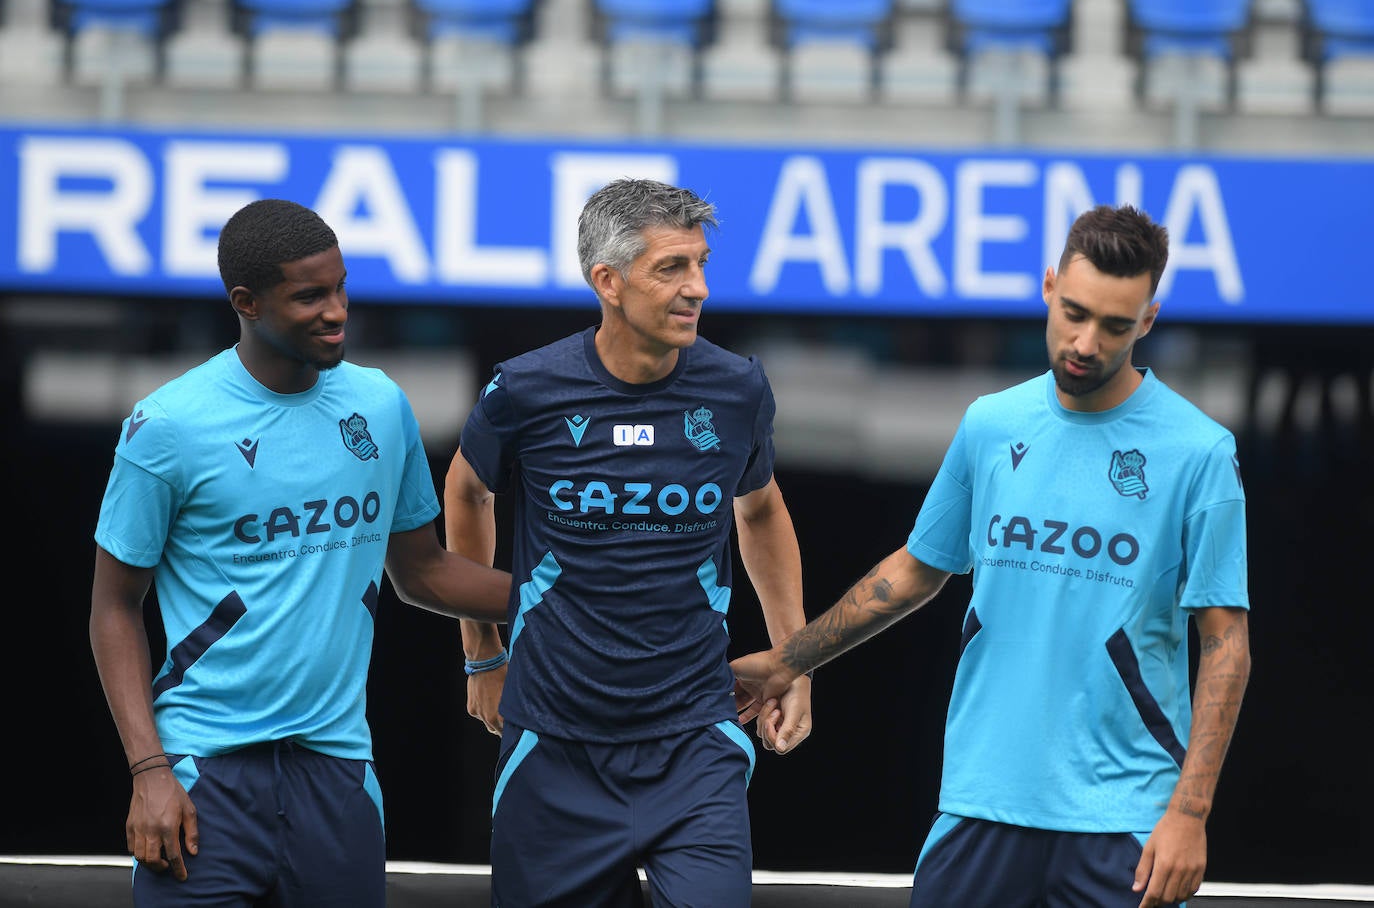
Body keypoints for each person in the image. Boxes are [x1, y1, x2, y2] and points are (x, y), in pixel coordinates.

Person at [732, 204, 1251, 908]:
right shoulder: (991, 423)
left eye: (1115, 325)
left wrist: (1189, 815)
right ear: (1047, 287)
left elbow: (1226, 644)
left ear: (1149, 321)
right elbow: (918, 568)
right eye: (1074, 312)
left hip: (1124, 822)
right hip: (981, 803)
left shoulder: (1200, 452)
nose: (1086, 341)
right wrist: (790, 658)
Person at [89, 198, 511, 907]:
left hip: (338, 774)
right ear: (246, 303)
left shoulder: (379, 405)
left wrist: (566, 593)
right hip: (202, 776)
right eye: (310, 296)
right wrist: (148, 771)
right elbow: (113, 610)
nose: (336, 309)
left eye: (342, 287)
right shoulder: (167, 427)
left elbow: (424, 574)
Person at [443, 177, 812, 907]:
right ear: (607, 282)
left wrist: (794, 660)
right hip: (551, 747)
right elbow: (466, 492)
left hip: (695, 742)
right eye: (671, 268)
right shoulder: (525, 389)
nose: (698, 288)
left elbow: (761, 510)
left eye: (701, 264)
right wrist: (482, 652)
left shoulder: (738, 388)